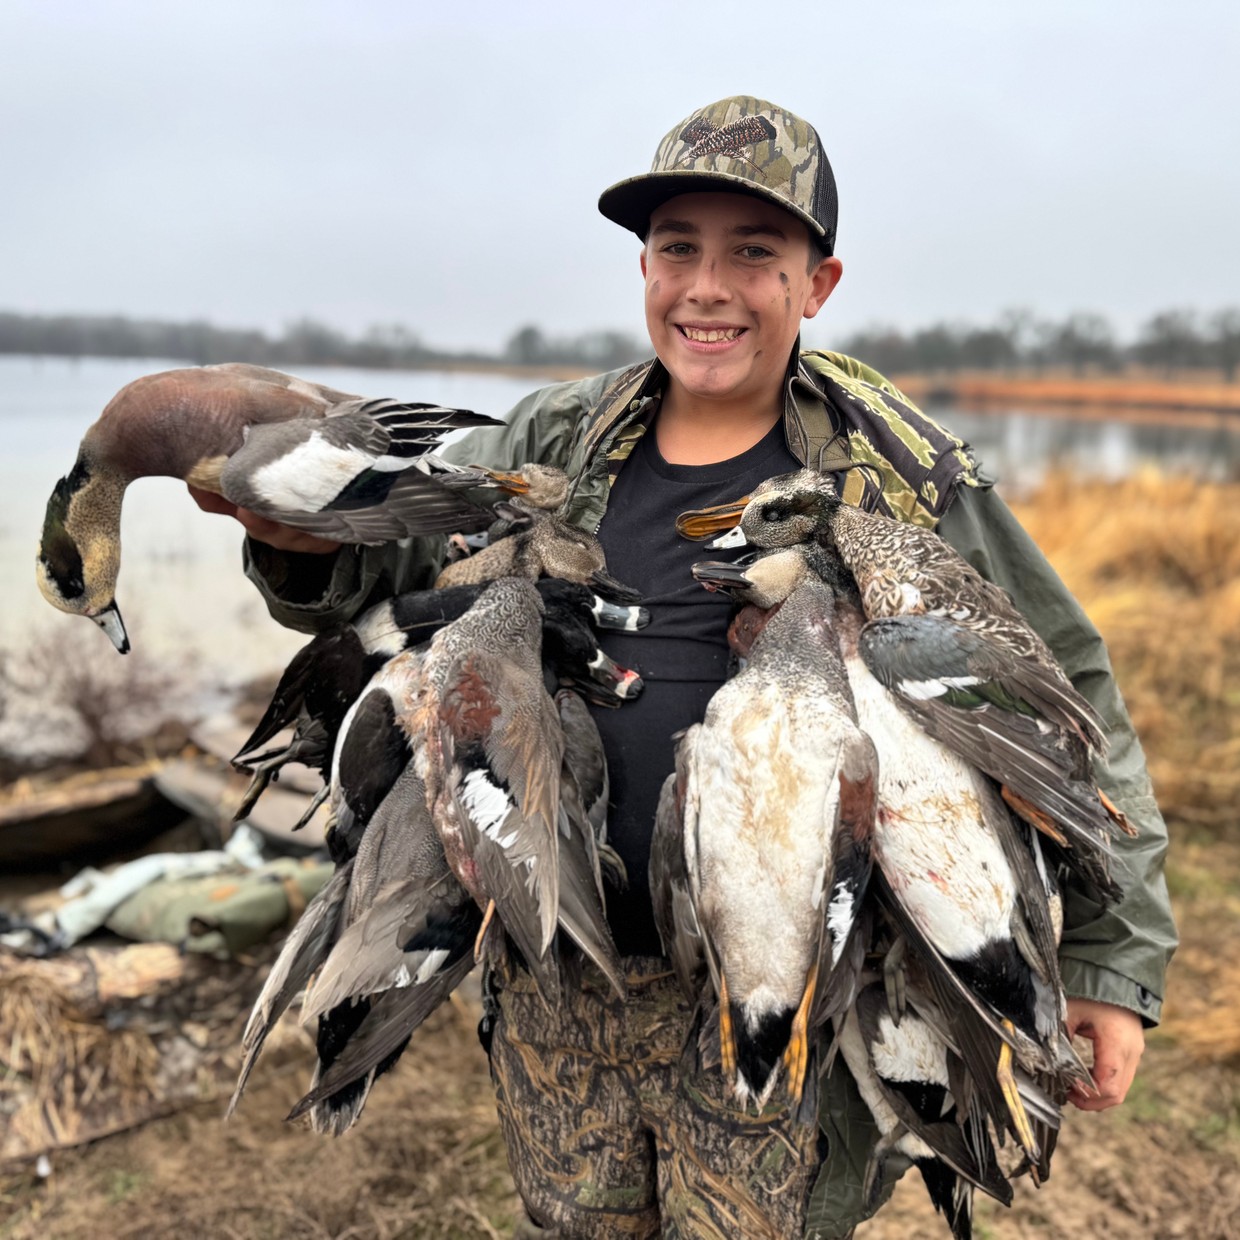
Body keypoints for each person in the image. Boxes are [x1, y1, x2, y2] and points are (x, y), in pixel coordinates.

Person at [195, 96, 1176, 1238]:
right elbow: (379, 575)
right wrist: (292, 531)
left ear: (818, 284)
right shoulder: (554, 441)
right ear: (646, 269)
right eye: (676, 250)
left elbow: (1065, 693)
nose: (706, 287)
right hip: (564, 979)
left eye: (753, 254)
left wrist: (1113, 959)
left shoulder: (899, 478)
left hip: (791, 983)